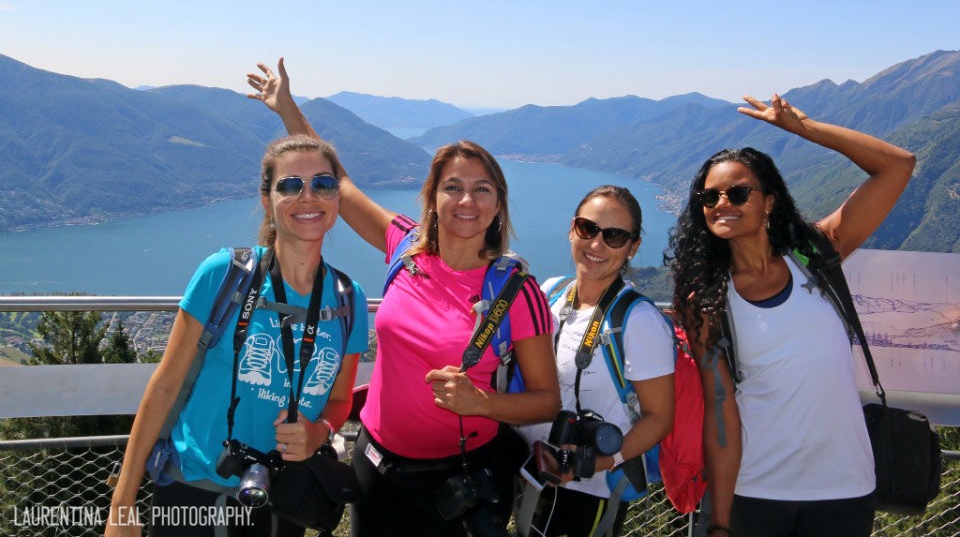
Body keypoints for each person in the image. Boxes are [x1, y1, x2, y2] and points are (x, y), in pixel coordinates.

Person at [247, 58, 561, 537]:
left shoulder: (518, 291)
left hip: (462, 479)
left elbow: (546, 401)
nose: (466, 201)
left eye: (482, 189)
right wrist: (287, 109)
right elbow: (340, 183)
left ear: (498, 204)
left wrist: (483, 402)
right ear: (433, 197)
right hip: (377, 468)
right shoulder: (404, 246)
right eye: (452, 187)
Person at [668, 94, 916, 537]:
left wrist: (806, 128)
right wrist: (720, 522)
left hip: (844, 489)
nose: (721, 203)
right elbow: (721, 414)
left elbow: (898, 166)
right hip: (754, 492)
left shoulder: (816, 252)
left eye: (738, 192)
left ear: (769, 202)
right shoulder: (706, 300)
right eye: (709, 196)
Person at [105, 134, 369, 537]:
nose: (308, 196)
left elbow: (338, 400)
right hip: (192, 490)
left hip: (282, 499)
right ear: (267, 199)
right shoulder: (224, 276)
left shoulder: (349, 301)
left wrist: (321, 432)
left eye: (323, 183)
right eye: (290, 185)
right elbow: (164, 387)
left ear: (336, 197)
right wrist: (122, 505)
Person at [517, 185, 675, 537]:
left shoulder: (638, 320)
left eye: (615, 236)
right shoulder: (551, 292)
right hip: (534, 472)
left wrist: (597, 463)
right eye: (588, 228)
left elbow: (660, 418)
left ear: (633, 247)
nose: (596, 244)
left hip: (592, 489)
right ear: (572, 229)